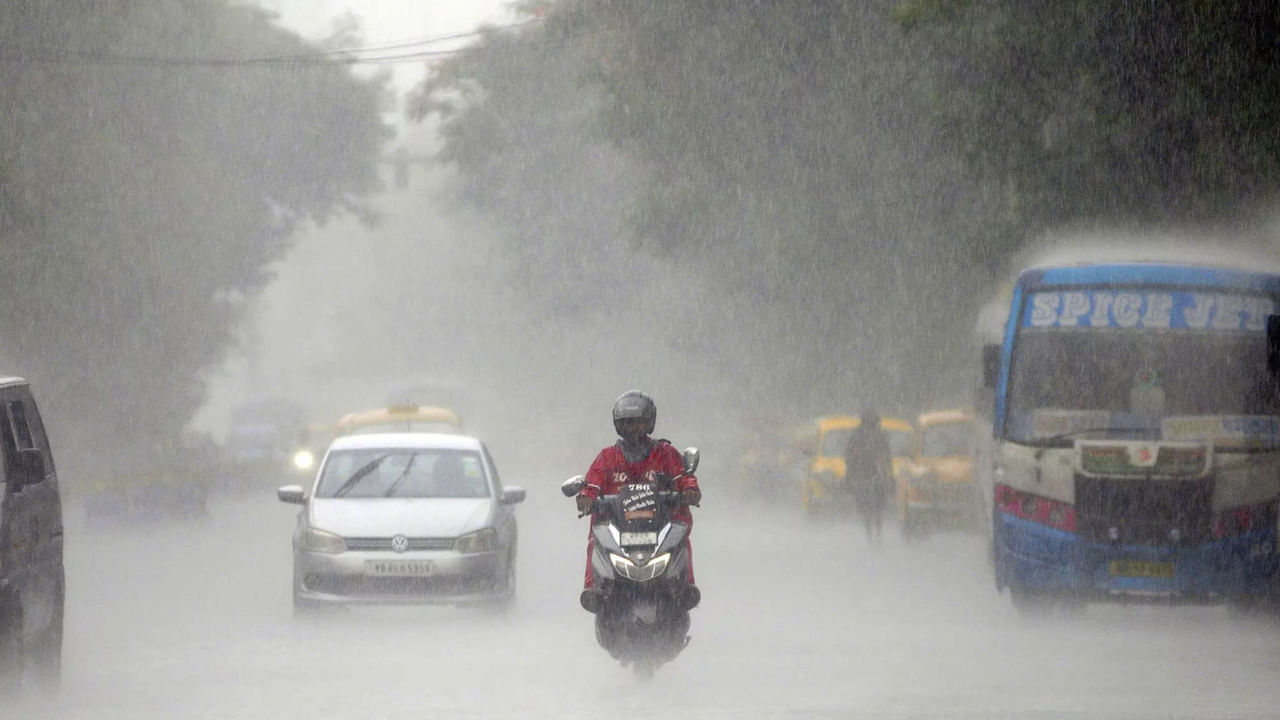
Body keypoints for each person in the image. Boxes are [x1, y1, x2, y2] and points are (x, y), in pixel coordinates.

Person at [576, 390, 701, 612]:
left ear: (650, 423)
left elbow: (684, 478)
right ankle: (593, 587)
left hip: (661, 524)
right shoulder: (607, 457)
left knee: (682, 531)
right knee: (595, 537)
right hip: (618, 527)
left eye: (639, 423)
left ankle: (685, 585)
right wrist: (586, 498)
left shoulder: (665, 453)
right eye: (628, 423)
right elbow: (591, 485)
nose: (634, 429)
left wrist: (689, 491)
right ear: (618, 425)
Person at [843, 408, 893, 546]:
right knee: (875, 508)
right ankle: (874, 535)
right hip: (867, 476)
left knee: (871, 508)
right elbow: (849, 456)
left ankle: (873, 535)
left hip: (869, 476)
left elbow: (887, 456)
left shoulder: (862, 435)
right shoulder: (874, 435)